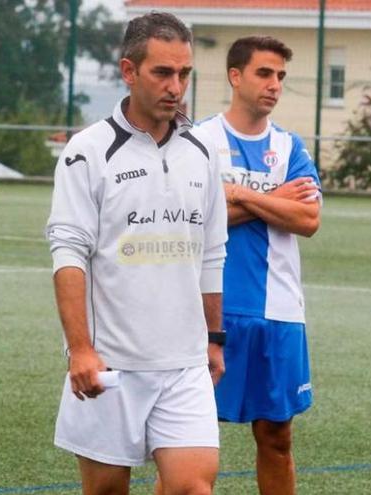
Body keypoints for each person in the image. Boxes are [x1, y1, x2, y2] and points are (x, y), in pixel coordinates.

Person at [45, 12, 228, 495]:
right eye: (162, 73)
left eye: (184, 73)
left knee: (194, 488)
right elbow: (68, 256)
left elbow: (212, 254)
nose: (176, 86)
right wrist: (80, 349)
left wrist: (214, 338)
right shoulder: (87, 152)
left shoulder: (204, 153)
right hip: (111, 366)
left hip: (185, 364)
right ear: (129, 71)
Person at [199, 36, 321, 494]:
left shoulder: (290, 148)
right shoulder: (201, 140)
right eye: (264, 73)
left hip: (279, 313)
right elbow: (194, 222)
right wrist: (273, 200)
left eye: (281, 77)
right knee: (187, 440)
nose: (275, 85)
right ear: (235, 76)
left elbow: (308, 219)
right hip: (209, 310)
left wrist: (240, 194)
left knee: (277, 437)